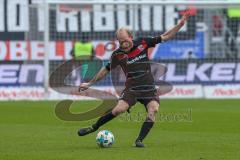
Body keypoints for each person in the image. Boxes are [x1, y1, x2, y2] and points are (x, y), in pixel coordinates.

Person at [78, 12, 190, 147]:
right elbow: (106, 70)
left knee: (153, 109)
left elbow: (165, 36)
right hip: (132, 89)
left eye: (125, 40)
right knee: (119, 110)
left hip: (148, 88)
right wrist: (90, 83)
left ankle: (139, 141)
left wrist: (179, 25)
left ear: (131, 37)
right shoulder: (117, 54)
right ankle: (94, 127)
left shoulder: (143, 42)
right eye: (120, 42)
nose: (123, 44)